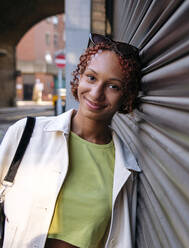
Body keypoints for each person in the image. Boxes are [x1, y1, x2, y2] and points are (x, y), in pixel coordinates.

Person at [0, 33, 142, 248]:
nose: (96, 93)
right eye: (91, 77)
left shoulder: (126, 169)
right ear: (79, 77)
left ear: (126, 96)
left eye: (113, 86)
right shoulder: (26, 133)